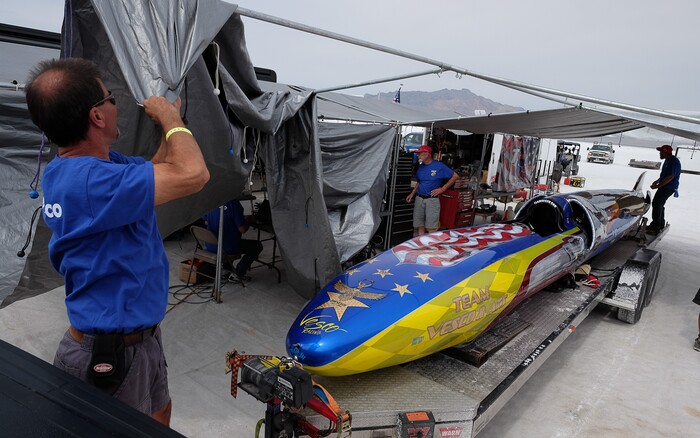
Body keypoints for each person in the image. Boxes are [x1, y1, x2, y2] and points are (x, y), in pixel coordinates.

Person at [25, 58, 209, 426]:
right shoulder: (92, 182)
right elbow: (193, 174)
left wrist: (166, 127)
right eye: (110, 99)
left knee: (159, 413)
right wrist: (171, 120)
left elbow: (156, 171)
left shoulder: (78, 168)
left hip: (138, 343)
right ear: (96, 117)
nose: (116, 106)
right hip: (111, 354)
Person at [202, 199, 263, 281]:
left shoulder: (211, 202)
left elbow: (206, 222)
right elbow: (242, 229)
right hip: (227, 248)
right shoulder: (234, 204)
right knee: (257, 246)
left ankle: (227, 270)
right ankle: (238, 273)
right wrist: (249, 220)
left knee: (230, 239)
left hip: (211, 245)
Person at [405, 145, 459, 235]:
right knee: (419, 225)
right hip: (419, 198)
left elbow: (455, 176)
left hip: (431, 199)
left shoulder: (439, 166)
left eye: (420, 153)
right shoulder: (421, 166)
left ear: (427, 154)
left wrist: (443, 189)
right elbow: (419, 182)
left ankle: (431, 247)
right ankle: (420, 246)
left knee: (431, 227)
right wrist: (412, 193)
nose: (418, 156)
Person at [648, 144, 681, 235]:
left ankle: (656, 225)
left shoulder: (673, 162)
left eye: (660, 152)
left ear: (665, 152)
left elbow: (670, 177)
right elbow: (665, 175)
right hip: (665, 186)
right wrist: (657, 181)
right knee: (658, 203)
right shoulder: (668, 160)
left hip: (668, 187)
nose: (659, 154)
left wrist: (658, 186)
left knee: (657, 203)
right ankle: (659, 224)